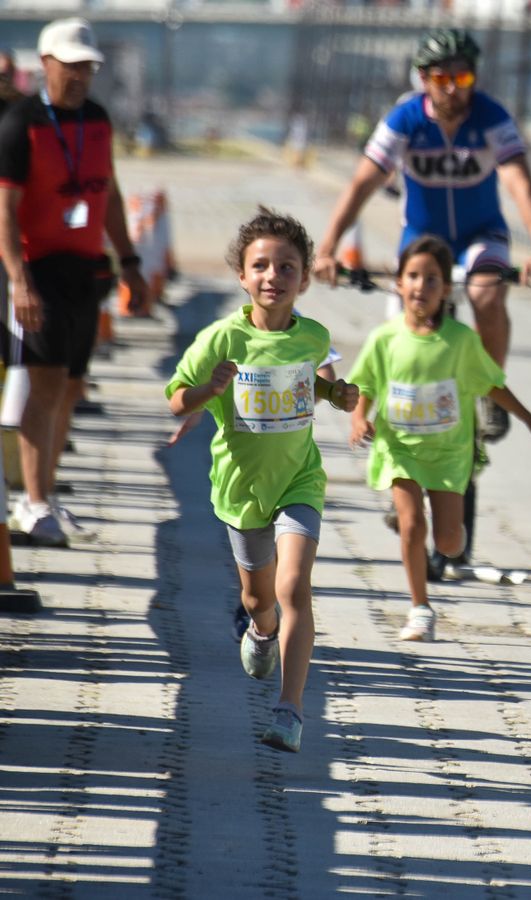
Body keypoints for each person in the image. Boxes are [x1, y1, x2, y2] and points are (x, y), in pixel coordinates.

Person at [165, 209, 360, 753]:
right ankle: (262, 629)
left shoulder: (313, 336)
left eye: (287, 266)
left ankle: (289, 709)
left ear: (305, 278)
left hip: (299, 479)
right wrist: (209, 390)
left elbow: (310, 382)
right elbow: (176, 398)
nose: (274, 276)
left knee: (294, 586)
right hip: (242, 488)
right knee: (259, 598)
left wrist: (337, 394)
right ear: (243, 276)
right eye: (261, 266)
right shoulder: (222, 338)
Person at [313, 28, 531, 443]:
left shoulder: (492, 117)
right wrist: (327, 250)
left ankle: (491, 392)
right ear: (423, 79)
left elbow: (519, 183)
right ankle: (390, 409)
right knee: (401, 321)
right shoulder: (404, 119)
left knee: (486, 294)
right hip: (422, 238)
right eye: (441, 78)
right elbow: (362, 184)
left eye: (462, 78)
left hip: (481, 234)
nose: (451, 89)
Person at [347, 236, 531, 642]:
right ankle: (420, 609)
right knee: (412, 526)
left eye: (431, 279)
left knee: (449, 541)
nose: (420, 286)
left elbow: (492, 384)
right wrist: (358, 420)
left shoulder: (460, 340)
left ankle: (429, 530)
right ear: (398, 284)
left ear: (446, 289)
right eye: (412, 276)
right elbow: (365, 384)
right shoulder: (384, 339)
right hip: (400, 449)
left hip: (447, 454)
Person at [0, 17, 150, 546]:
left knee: (70, 387)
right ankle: (33, 501)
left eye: (87, 66)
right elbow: (5, 211)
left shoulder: (98, 119)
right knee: (43, 385)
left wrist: (130, 260)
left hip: (85, 269)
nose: (80, 75)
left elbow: (109, 193)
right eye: (70, 65)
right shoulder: (21, 125)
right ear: (45, 64)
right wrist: (19, 281)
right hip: (37, 270)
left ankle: (44, 493)